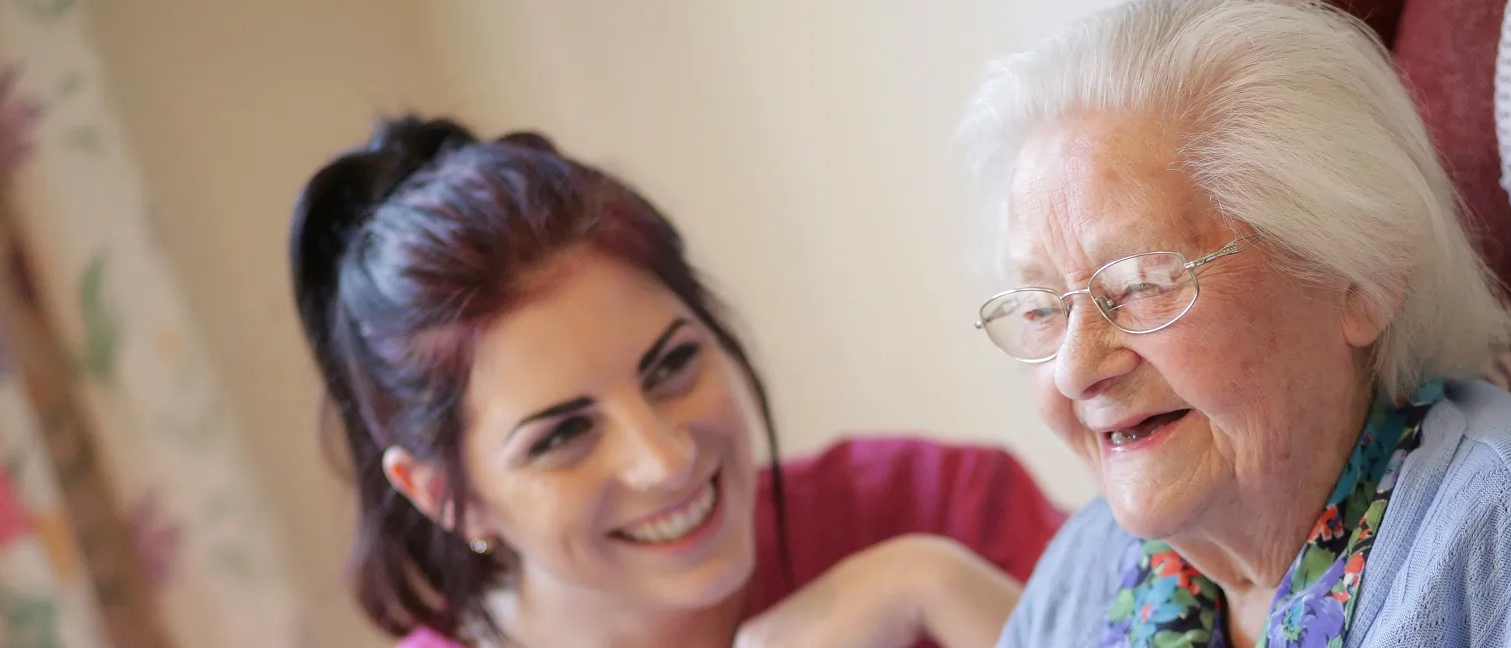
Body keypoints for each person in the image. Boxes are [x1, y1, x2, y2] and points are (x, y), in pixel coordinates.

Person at [955, 0, 1511, 646]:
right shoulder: (1089, 571)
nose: (1072, 368)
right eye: (1041, 308)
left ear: (1359, 279)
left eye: (1143, 282)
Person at [288, 116, 1064, 648]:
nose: (664, 459)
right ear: (439, 493)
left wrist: (933, 584)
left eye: (670, 367)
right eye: (563, 433)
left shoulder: (934, 506)